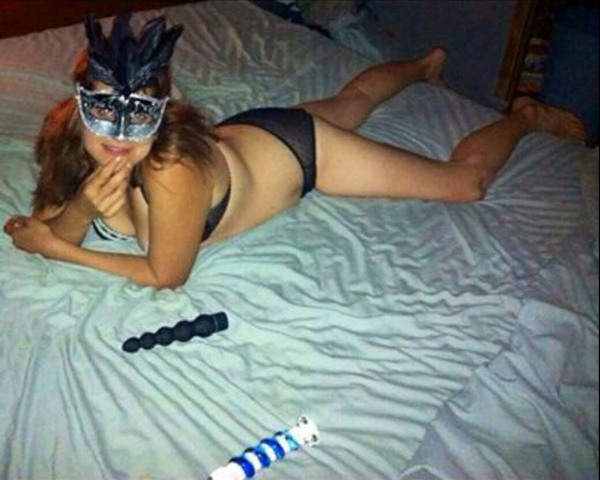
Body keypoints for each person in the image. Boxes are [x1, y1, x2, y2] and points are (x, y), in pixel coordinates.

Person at [3, 13, 586, 289]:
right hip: (242, 140)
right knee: (354, 100)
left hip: (295, 151)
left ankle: (523, 116)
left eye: (138, 115)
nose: (119, 136)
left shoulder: (168, 168)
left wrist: (61, 251)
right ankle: (426, 65)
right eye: (103, 110)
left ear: (163, 112)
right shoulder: (69, 137)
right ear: (78, 105)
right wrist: (80, 211)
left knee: (464, 183)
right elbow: (47, 222)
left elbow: (165, 274)